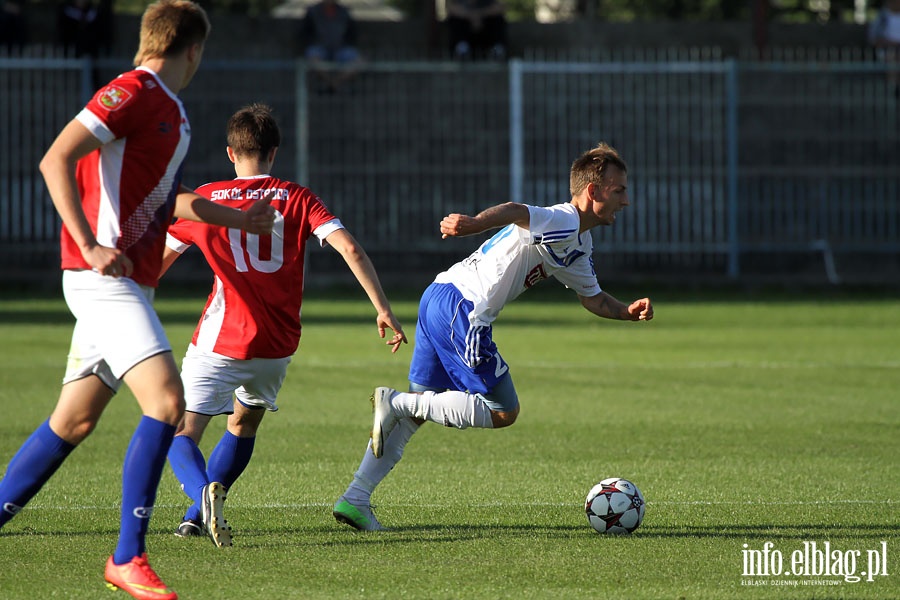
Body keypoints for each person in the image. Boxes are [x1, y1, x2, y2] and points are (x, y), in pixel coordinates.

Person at [0, 2, 276, 599]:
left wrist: (241, 220)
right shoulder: (133, 90)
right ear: (193, 49)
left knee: (72, 420)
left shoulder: (170, 111)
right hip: (104, 280)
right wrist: (90, 244)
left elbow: (170, 199)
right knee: (168, 401)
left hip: (126, 284)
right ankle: (128, 556)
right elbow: (56, 158)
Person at [332, 142, 653, 531]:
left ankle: (355, 499)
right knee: (503, 412)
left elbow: (595, 299)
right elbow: (518, 212)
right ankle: (394, 401)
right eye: (619, 190)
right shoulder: (564, 220)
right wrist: (471, 223)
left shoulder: (577, 243)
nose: (627, 200)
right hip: (464, 311)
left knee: (419, 411)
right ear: (594, 191)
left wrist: (626, 311)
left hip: (439, 295)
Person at [160, 102, 407, 548]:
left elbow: (158, 263)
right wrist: (383, 307)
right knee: (242, 426)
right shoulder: (298, 197)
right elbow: (349, 248)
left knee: (181, 432)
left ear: (231, 153)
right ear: (274, 152)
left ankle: (200, 494)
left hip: (221, 339)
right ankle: (197, 516)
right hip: (275, 345)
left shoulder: (208, 198)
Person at [300, 0, 363, 92]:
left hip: (340, 49)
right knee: (313, 57)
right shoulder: (312, 11)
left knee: (359, 62)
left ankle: (335, 82)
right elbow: (305, 34)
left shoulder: (344, 12)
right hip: (320, 49)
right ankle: (329, 81)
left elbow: (352, 34)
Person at [868, 0, 900, 98]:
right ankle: (893, 89)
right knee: (892, 59)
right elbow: (873, 38)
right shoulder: (882, 17)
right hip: (886, 50)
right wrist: (888, 43)